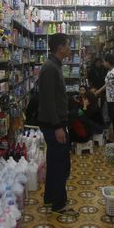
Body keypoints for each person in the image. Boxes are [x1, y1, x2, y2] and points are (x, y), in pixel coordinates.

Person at [36, 33, 76, 215]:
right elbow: (49, 101)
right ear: (60, 47)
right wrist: (58, 126)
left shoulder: (54, 65)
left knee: (54, 162)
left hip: (54, 123)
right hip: (54, 125)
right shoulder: (51, 68)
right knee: (61, 164)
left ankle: (50, 198)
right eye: (68, 45)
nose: (70, 48)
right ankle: (59, 204)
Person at [98, 55, 114, 142]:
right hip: (109, 100)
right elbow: (107, 84)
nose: (103, 64)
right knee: (112, 118)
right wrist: (98, 91)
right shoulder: (109, 72)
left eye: (104, 62)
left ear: (108, 62)